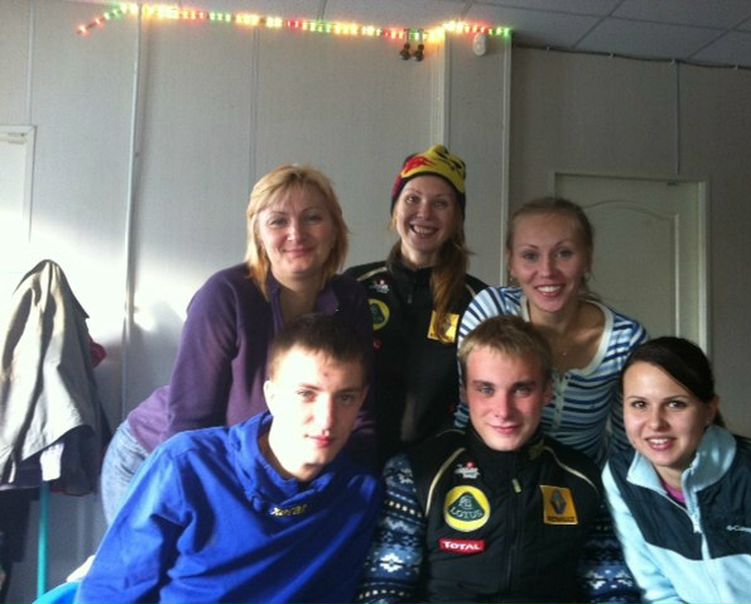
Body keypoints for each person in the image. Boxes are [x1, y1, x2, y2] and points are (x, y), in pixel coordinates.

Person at [100, 164, 374, 523]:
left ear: (334, 227)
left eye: (313, 218)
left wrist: (363, 490)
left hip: (267, 474)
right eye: (278, 221)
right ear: (258, 234)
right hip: (157, 456)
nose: (296, 233)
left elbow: (359, 405)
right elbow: (190, 423)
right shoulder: (225, 295)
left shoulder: (351, 298)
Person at [76, 314, 383, 604]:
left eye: (345, 398)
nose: (327, 419)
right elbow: (113, 590)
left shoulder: (359, 495)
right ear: (273, 397)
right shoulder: (187, 465)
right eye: (306, 394)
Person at [356, 315, 602, 603]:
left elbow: (611, 587)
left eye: (521, 389)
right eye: (486, 389)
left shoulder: (582, 476)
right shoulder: (414, 472)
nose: (503, 411)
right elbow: (383, 591)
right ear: (464, 391)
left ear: (548, 391)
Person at [603, 336, 751, 604]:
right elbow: (655, 587)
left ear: (709, 410)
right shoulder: (621, 478)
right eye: (639, 404)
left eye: (675, 404)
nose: (655, 423)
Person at [455, 196, 646, 462]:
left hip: (584, 477)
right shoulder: (492, 309)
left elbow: (631, 440)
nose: (547, 271)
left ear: (587, 259)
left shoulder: (625, 340)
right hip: (490, 471)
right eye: (530, 256)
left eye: (564, 253)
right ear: (511, 263)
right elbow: (468, 408)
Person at [346, 144, 487, 465]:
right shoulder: (354, 285)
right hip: (357, 459)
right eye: (412, 199)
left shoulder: (479, 301)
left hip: (439, 467)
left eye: (441, 203)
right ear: (395, 209)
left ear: (457, 219)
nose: (424, 213)